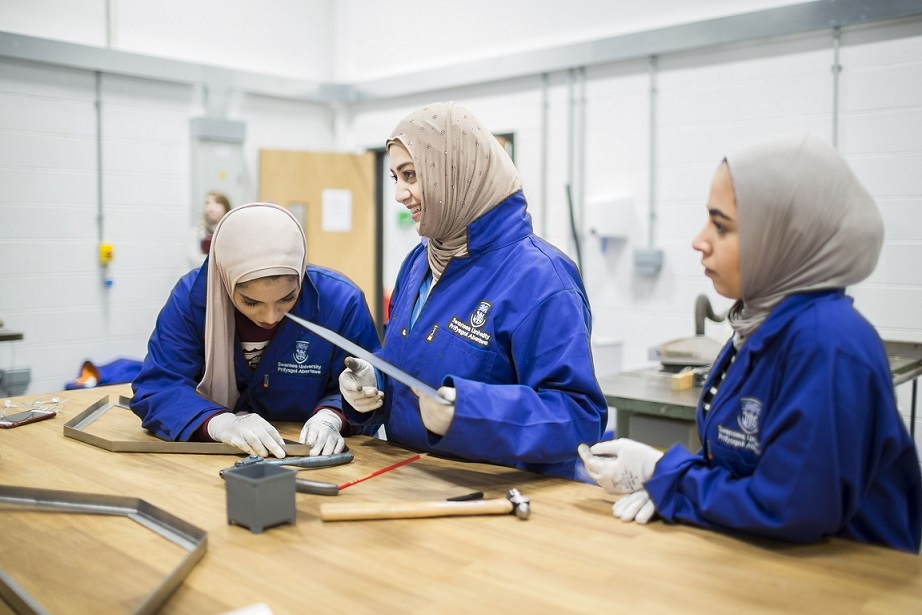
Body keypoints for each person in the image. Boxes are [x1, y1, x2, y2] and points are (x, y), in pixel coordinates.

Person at [579, 134, 922, 552]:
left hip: (850, 581)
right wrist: (672, 477)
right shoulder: (760, 325)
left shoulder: (826, 346)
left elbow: (788, 508)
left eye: (720, 226)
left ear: (786, 236)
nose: (699, 240)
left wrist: (665, 474)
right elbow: (743, 470)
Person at [338, 101, 608, 479]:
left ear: (455, 173)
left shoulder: (541, 277)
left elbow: (577, 416)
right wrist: (374, 385)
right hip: (411, 481)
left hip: (501, 497)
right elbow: (413, 367)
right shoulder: (419, 263)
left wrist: (467, 412)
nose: (399, 193)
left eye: (411, 175)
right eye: (395, 178)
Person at [132, 202, 381, 458]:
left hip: (310, 457)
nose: (270, 316)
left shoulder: (341, 302)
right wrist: (219, 424)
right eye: (251, 302)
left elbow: (369, 387)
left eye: (287, 298)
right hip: (212, 459)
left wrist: (332, 417)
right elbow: (159, 387)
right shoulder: (193, 299)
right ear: (225, 281)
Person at [189, 191, 231, 267]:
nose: (211, 208)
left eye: (217, 203)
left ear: (226, 207)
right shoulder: (197, 232)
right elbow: (194, 259)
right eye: (207, 203)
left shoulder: (233, 232)